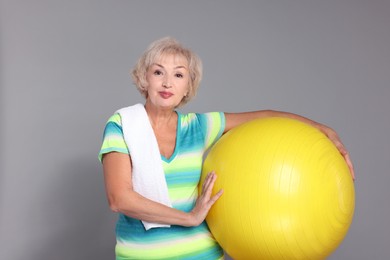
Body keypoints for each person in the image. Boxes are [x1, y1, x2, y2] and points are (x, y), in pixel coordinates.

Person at [98, 37, 355, 259]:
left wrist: (323, 129)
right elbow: (119, 199)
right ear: (144, 77)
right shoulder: (122, 124)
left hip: (202, 255)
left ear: (188, 86)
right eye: (158, 72)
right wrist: (189, 217)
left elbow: (265, 117)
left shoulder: (198, 127)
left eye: (178, 75)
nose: (167, 83)